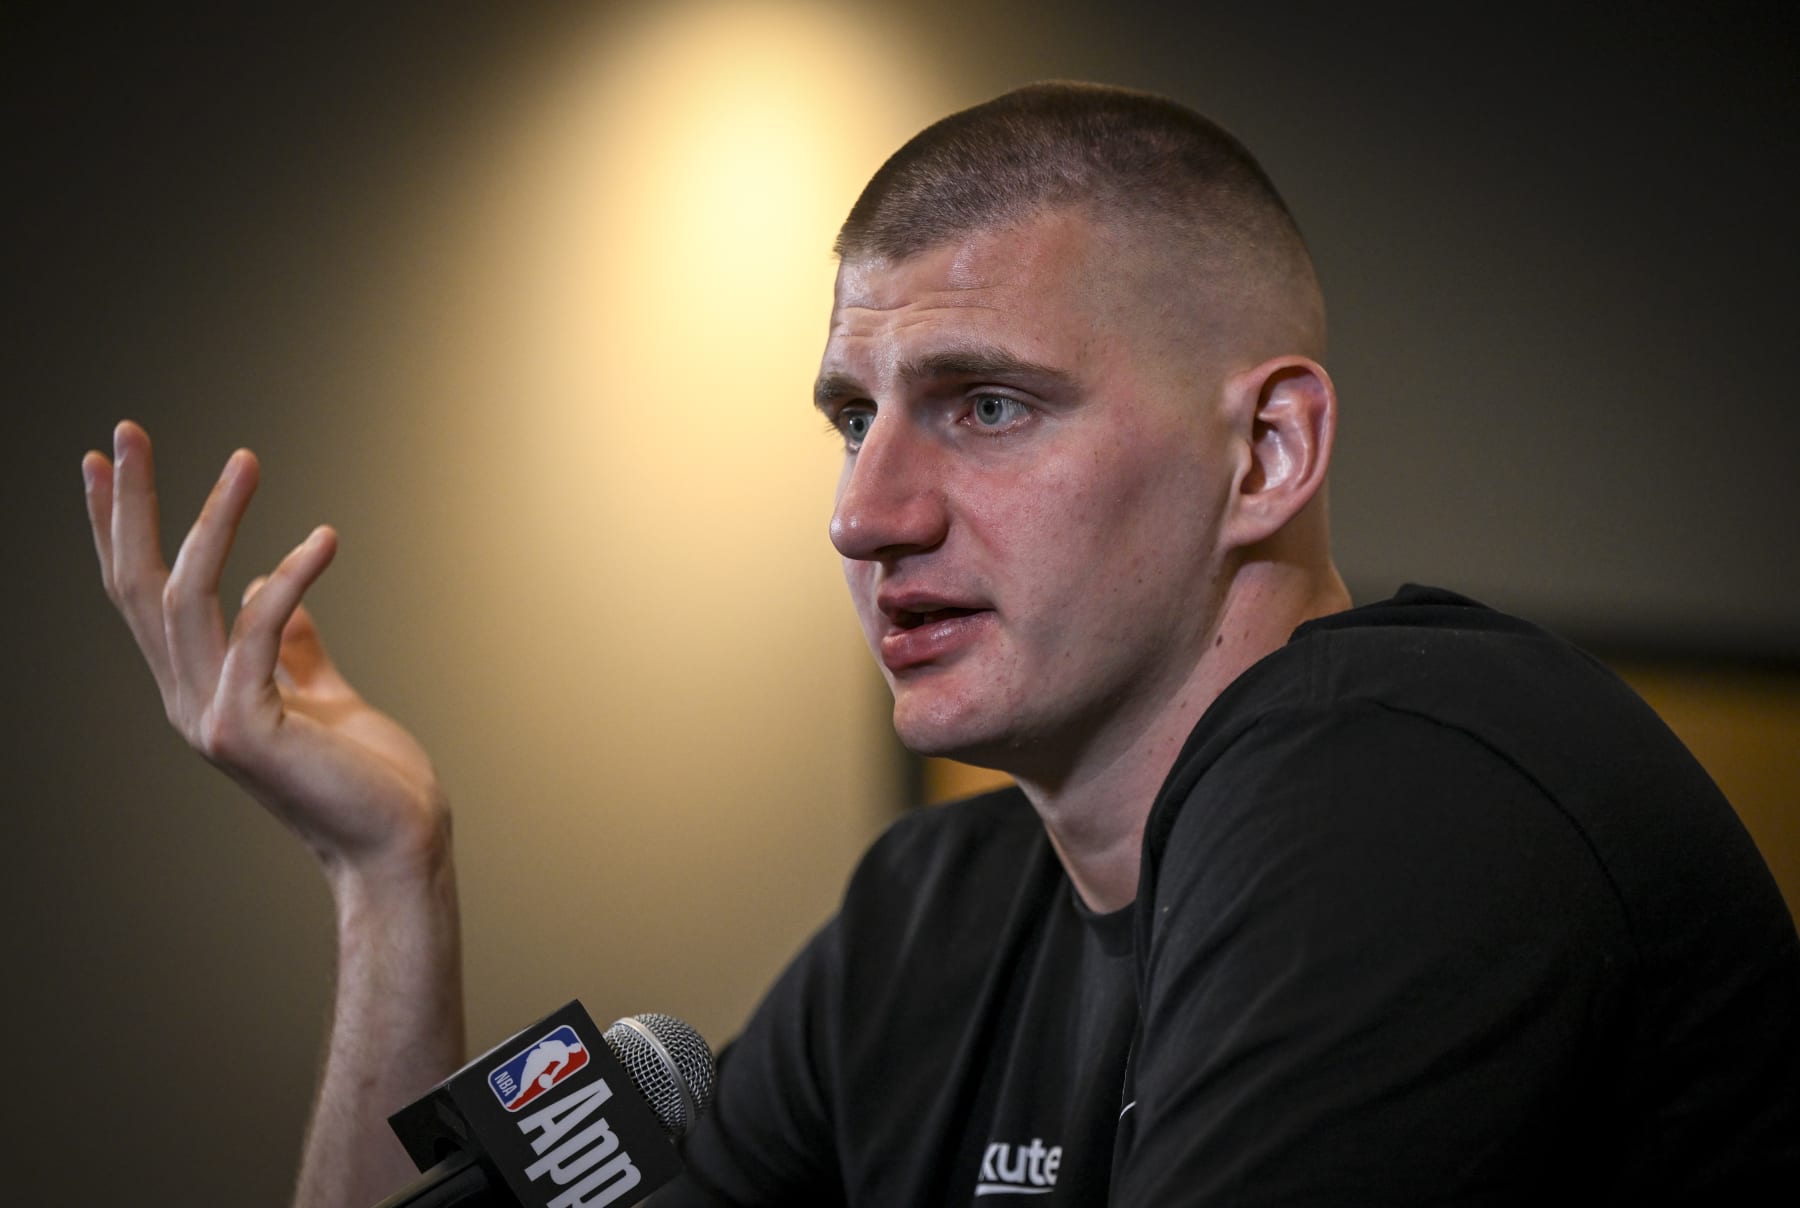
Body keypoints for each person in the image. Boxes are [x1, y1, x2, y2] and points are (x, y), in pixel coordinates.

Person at [83, 82, 1799, 1205]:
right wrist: (389, 877)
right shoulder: (935, 920)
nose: (867, 512)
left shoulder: (1409, 781)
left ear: (1267, 455)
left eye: (985, 404)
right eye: (852, 418)